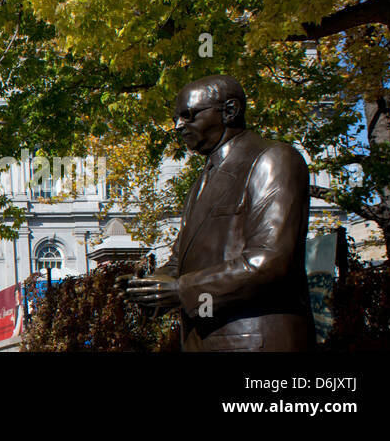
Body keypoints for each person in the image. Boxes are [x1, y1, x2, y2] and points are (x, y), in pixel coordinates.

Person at [125, 74, 315, 351]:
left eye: (189, 115)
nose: (179, 126)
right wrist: (150, 289)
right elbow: (180, 263)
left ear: (229, 111)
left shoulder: (273, 160)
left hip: (255, 341)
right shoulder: (200, 184)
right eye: (176, 118)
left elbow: (271, 262)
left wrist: (181, 291)